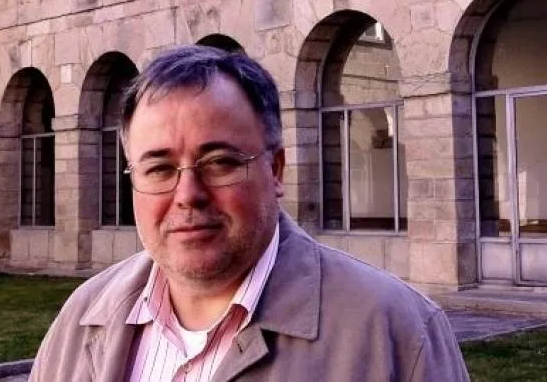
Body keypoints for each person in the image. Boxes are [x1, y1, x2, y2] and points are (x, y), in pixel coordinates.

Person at [30, 44, 470, 381]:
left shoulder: (395, 332)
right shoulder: (83, 318)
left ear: (275, 169)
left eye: (219, 162)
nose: (188, 195)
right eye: (160, 168)